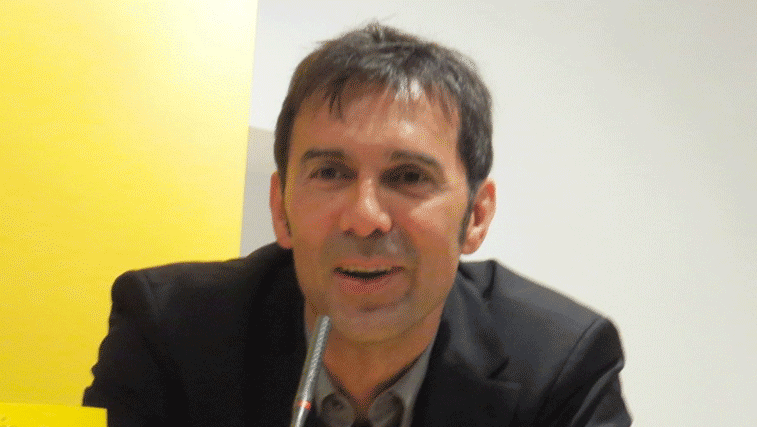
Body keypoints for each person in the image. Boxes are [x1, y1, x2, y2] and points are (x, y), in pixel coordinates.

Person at [83, 23, 631, 427]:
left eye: (409, 176)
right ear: (281, 208)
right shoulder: (172, 331)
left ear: (477, 216)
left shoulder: (558, 364)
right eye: (330, 172)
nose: (365, 218)